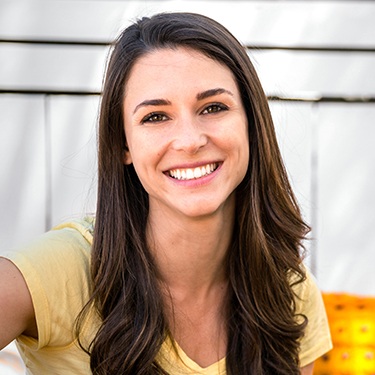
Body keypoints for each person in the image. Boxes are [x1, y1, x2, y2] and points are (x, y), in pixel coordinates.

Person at [0, 12, 332, 375]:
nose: (190, 140)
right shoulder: (65, 269)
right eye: (155, 117)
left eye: (214, 107)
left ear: (251, 125)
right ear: (123, 144)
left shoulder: (288, 289)